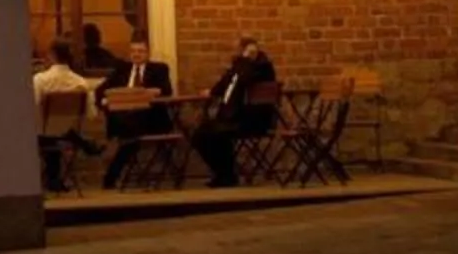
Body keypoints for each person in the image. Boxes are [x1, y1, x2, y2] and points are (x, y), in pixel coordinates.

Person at [192, 37, 280, 187]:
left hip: (253, 120)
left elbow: (245, 79)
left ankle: (227, 175)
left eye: (251, 52)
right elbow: (225, 83)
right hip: (234, 118)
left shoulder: (262, 67)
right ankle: (224, 173)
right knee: (200, 135)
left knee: (216, 133)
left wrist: (246, 60)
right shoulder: (238, 68)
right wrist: (212, 91)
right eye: (244, 51)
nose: (247, 55)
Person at [96, 40, 174, 189]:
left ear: (148, 54)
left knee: (129, 134)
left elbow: (166, 91)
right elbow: (100, 90)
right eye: (133, 51)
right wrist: (104, 101)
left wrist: (151, 92)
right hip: (125, 117)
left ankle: (111, 175)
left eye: (140, 51)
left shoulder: (159, 69)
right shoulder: (122, 69)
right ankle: (112, 175)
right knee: (128, 127)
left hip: (151, 118)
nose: (136, 54)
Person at [32, 40, 97, 189]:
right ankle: (55, 179)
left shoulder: (40, 80)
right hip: (67, 132)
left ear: (52, 55)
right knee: (59, 133)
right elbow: (91, 113)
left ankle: (52, 179)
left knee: (45, 133)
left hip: (43, 133)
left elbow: (33, 108)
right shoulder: (80, 81)